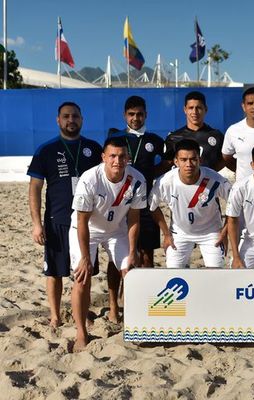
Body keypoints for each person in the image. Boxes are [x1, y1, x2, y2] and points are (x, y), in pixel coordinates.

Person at [27, 102, 102, 328]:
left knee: (84, 271)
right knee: (55, 271)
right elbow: (35, 188)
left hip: (86, 222)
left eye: (75, 116)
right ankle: (56, 315)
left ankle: (83, 311)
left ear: (82, 119)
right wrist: (36, 224)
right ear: (58, 120)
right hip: (57, 220)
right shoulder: (46, 150)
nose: (71, 120)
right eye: (66, 116)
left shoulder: (93, 148)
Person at [70, 136, 146, 350]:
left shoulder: (137, 179)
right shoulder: (90, 179)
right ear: (103, 157)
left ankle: (136, 325)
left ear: (128, 158)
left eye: (122, 156)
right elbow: (81, 221)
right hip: (87, 230)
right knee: (82, 277)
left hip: (116, 230)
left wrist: (132, 252)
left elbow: (134, 219)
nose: (117, 161)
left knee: (132, 273)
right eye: (112, 156)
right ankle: (81, 333)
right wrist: (86, 258)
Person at [106, 95, 164, 321]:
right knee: (116, 257)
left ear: (146, 115)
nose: (135, 118)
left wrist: (148, 175)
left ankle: (144, 304)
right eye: (131, 114)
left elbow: (167, 162)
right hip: (120, 206)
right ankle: (113, 305)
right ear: (124, 116)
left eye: (139, 114)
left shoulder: (155, 140)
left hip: (146, 205)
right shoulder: (116, 138)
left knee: (147, 256)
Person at [149, 139, 230, 268]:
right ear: (176, 162)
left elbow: (235, 205)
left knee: (216, 273)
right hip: (179, 234)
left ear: (200, 160)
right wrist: (166, 234)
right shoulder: (165, 182)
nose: (189, 164)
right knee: (173, 273)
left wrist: (225, 232)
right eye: (183, 160)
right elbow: (152, 207)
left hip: (211, 233)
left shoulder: (216, 180)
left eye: (193, 159)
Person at [163, 91, 226, 172]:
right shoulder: (173, 138)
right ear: (185, 110)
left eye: (198, 108)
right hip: (183, 184)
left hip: (207, 183)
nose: (195, 112)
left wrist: (209, 174)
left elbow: (224, 160)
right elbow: (166, 165)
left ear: (205, 109)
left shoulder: (217, 136)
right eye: (191, 108)